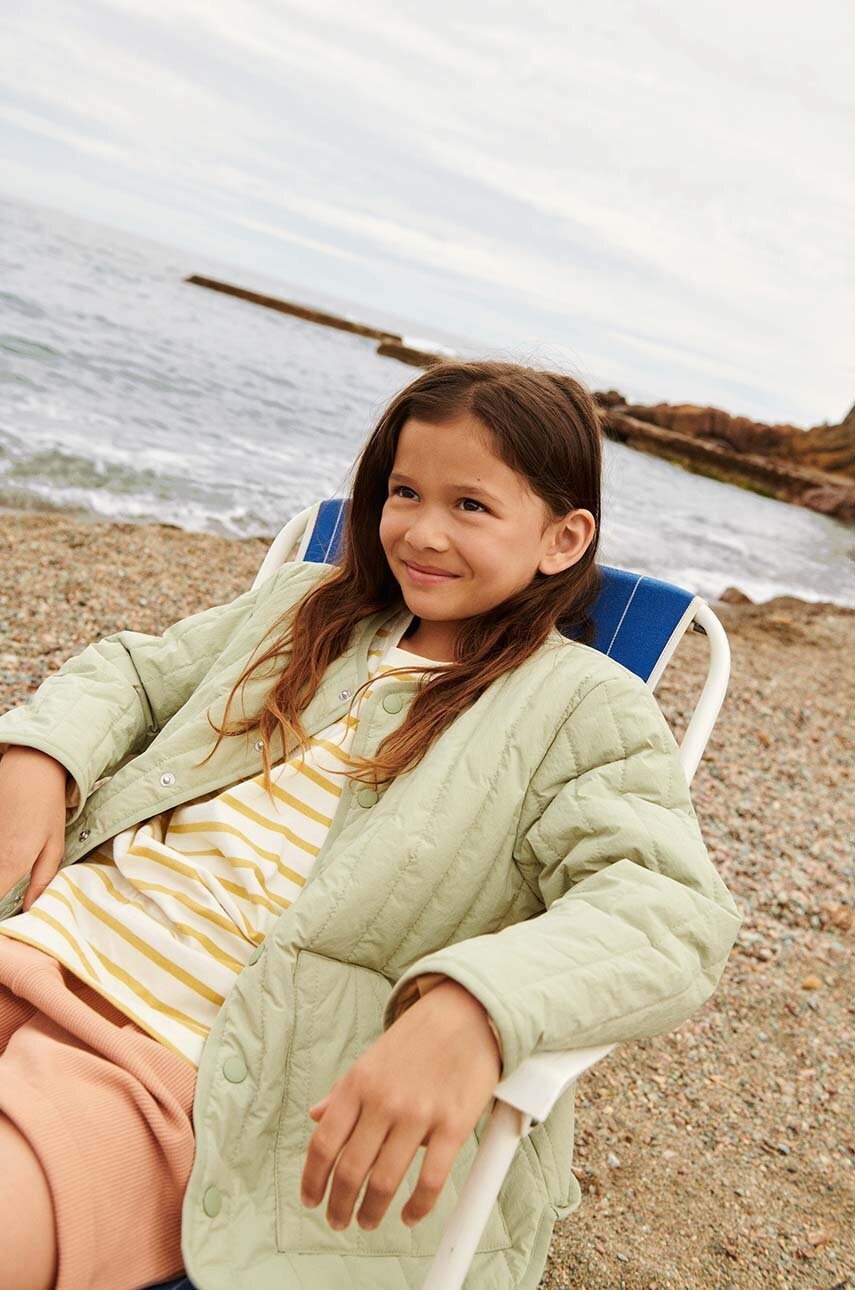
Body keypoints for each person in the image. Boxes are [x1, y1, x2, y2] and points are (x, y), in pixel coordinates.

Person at [0, 360, 740, 1290]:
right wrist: (39, 759)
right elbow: (136, 673)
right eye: (403, 491)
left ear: (562, 538)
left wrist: (477, 1006)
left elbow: (667, 905)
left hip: (174, 1063)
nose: (422, 531)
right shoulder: (306, 605)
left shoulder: (580, 706)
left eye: (470, 505)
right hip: (43, 937)